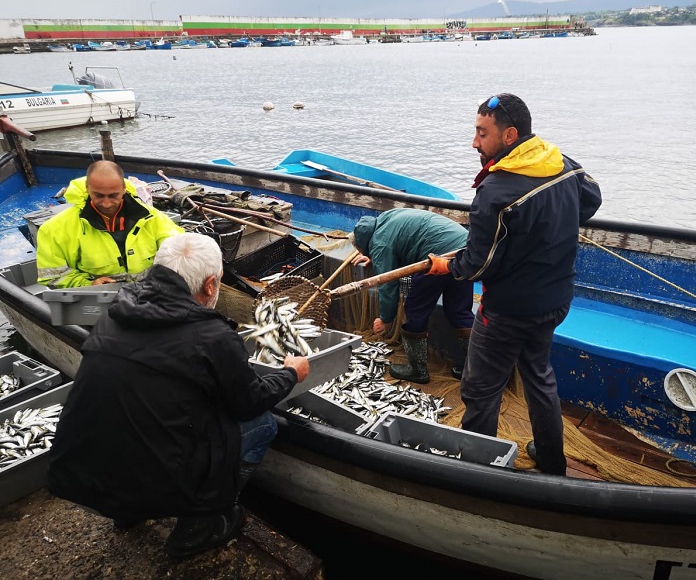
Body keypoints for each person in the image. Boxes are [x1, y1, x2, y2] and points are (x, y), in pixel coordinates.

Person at [47, 233, 310, 558]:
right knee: (264, 424)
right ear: (211, 285)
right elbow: (249, 402)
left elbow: (63, 308)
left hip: (78, 475)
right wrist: (290, 373)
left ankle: (126, 513)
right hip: (157, 483)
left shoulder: (116, 306)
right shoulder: (214, 337)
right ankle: (202, 524)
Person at [427, 93, 602, 475]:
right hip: (555, 300)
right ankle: (553, 461)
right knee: (539, 376)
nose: (474, 142)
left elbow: (478, 263)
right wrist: (548, 228)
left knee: (481, 389)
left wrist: (447, 266)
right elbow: (591, 199)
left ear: (509, 136)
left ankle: (481, 471)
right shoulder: (562, 163)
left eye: (481, 133)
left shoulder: (496, 191)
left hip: (507, 312)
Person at [352, 208, 474, 383]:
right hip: (464, 250)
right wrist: (374, 255)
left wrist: (385, 319)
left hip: (436, 258)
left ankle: (417, 370)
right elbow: (392, 243)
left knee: (415, 308)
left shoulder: (380, 244)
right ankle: (475, 370)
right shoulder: (387, 216)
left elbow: (388, 284)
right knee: (459, 310)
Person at [37, 160, 183, 288]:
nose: (106, 204)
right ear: (88, 189)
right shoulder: (53, 230)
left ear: (124, 189)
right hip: (99, 302)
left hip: (150, 296)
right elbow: (53, 276)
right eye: (98, 196)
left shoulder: (153, 217)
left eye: (113, 196)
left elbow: (181, 252)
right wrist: (88, 284)